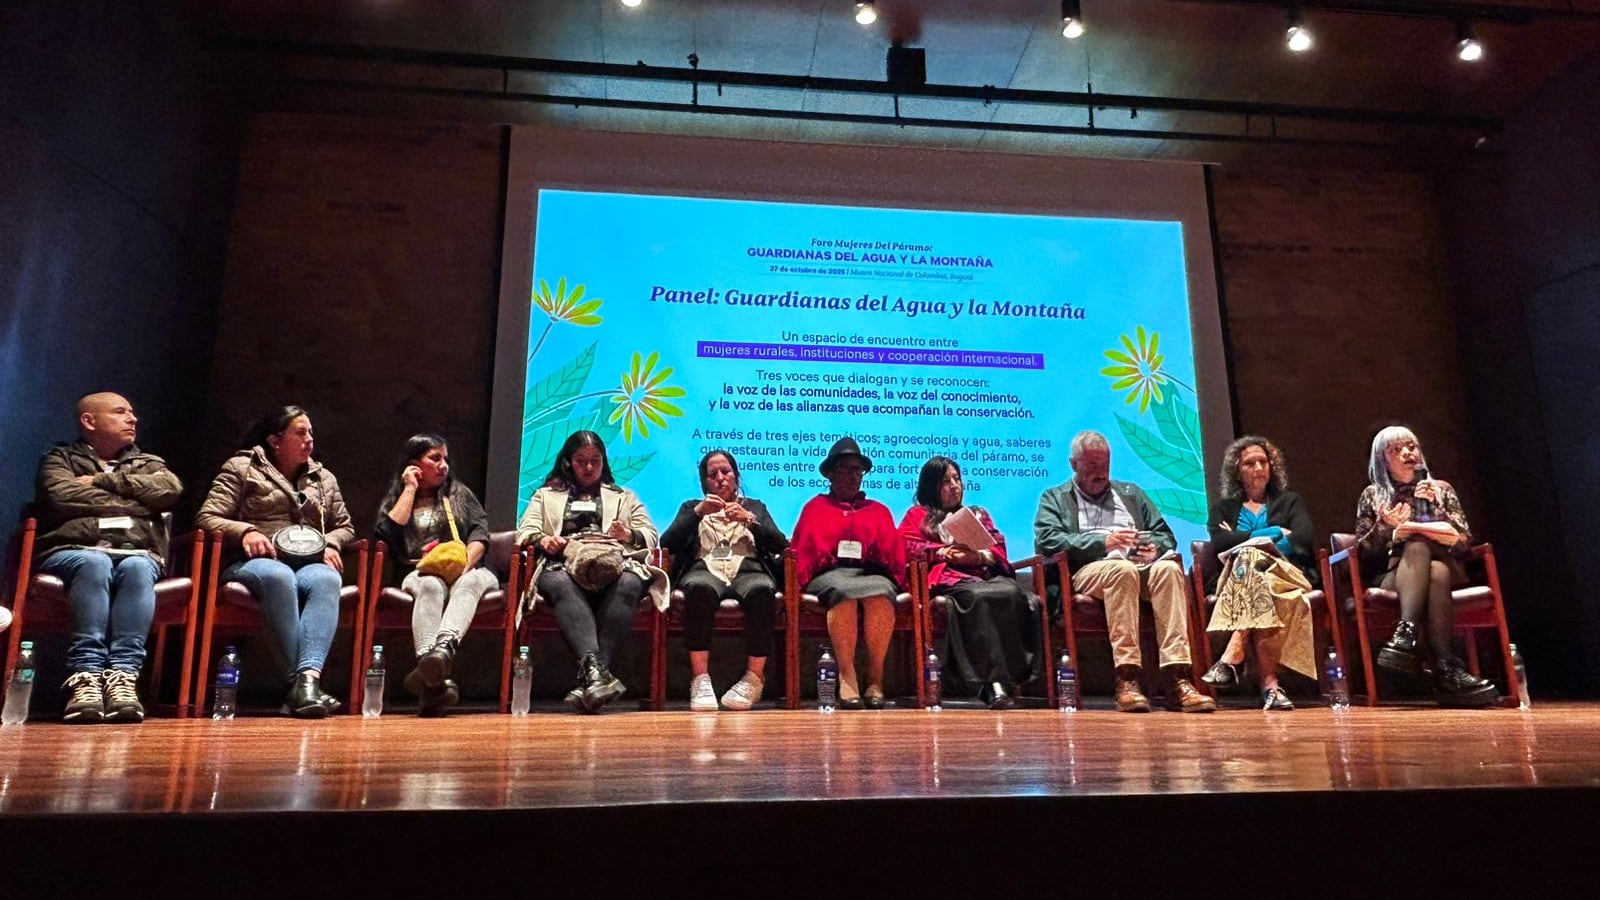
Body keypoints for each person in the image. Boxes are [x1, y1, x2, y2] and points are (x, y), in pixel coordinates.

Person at [1034, 430, 1214, 713]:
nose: (1100, 474)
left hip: (1139, 566)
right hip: (1089, 570)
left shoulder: (1130, 493)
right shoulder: (1055, 497)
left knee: (1167, 570)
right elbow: (1047, 541)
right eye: (1092, 467)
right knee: (1121, 571)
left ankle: (1178, 677)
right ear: (1074, 464)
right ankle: (1127, 677)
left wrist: (1151, 547)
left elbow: (1164, 535)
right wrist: (1102, 541)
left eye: (1104, 466)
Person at [196, 406, 355, 718]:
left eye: (311, 433)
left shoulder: (323, 479)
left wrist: (330, 542)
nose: (310, 439)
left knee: (327, 579)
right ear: (274, 440)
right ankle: (303, 686)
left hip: (308, 561)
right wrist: (245, 531)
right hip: (254, 562)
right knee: (279, 576)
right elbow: (207, 517)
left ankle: (305, 682)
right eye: (301, 433)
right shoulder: (241, 467)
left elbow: (345, 526)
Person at [32, 392, 181, 723]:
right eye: (120, 412)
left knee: (139, 567)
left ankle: (123, 677)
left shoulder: (149, 463)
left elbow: (168, 491)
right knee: (95, 563)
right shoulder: (60, 460)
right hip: (71, 551)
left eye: (132, 411)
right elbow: (61, 495)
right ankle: (85, 677)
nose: (133, 418)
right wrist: (136, 503)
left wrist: (102, 481)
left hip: (136, 551)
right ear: (89, 421)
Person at [516, 430, 667, 714]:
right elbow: (525, 531)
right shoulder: (546, 495)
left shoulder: (623, 497)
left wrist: (628, 533)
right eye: (581, 461)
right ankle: (598, 677)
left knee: (630, 582)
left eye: (595, 461)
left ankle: (592, 678)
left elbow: (651, 535)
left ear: (603, 462)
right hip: (562, 563)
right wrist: (544, 540)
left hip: (614, 563)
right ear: (568, 462)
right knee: (559, 581)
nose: (588, 467)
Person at [1357, 426, 1498, 707]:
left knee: (1431, 560)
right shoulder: (1374, 496)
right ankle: (1446, 668)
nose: (1408, 453)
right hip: (1395, 575)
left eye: (1412, 446)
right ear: (1383, 459)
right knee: (1428, 562)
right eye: (1397, 449)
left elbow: (1463, 543)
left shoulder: (1441, 490)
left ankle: (1405, 636)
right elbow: (1365, 553)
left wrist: (1438, 511)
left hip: (1447, 566)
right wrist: (1384, 525)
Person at [373, 434, 496, 716]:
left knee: (470, 582)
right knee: (430, 585)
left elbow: (480, 532)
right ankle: (432, 673)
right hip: (418, 570)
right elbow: (387, 535)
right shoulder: (400, 495)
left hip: (469, 566)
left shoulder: (460, 493)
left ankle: (442, 651)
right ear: (413, 464)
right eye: (435, 459)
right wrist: (409, 488)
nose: (444, 466)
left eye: (446, 459)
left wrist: (465, 564)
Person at [899, 456, 1032, 710]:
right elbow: (905, 545)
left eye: (957, 479)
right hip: (949, 578)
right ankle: (989, 683)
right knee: (975, 598)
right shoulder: (918, 515)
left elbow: (998, 547)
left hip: (982, 575)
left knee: (1012, 592)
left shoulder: (977, 514)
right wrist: (941, 552)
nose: (954, 486)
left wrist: (978, 556)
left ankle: (1009, 678)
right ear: (930, 486)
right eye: (945, 481)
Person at [660, 450, 789, 710]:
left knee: (763, 589)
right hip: (706, 567)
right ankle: (700, 678)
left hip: (747, 569)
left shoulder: (755, 506)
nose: (720, 478)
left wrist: (750, 520)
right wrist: (698, 513)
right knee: (698, 588)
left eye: (726, 472)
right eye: (712, 474)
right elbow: (667, 543)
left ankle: (754, 677)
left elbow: (780, 543)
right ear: (704, 481)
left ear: (736, 476)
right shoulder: (690, 507)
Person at [1201, 436, 1317, 710]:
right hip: (1238, 579)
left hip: (1288, 576)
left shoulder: (1290, 502)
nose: (1258, 468)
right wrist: (1275, 533)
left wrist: (1243, 538)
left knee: (1249, 556)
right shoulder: (1223, 509)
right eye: (1249, 463)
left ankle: (1233, 655)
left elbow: (1304, 538)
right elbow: (1220, 543)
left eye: (1263, 461)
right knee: (1252, 561)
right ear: (1237, 471)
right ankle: (1271, 687)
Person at [791, 437, 906, 710]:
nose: (852, 476)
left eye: (857, 470)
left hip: (870, 574)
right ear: (830, 474)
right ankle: (847, 675)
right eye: (844, 470)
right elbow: (803, 551)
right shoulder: (815, 507)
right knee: (843, 594)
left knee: (881, 593)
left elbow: (893, 553)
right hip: (830, 575)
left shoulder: (878, 510)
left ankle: (875, 677)